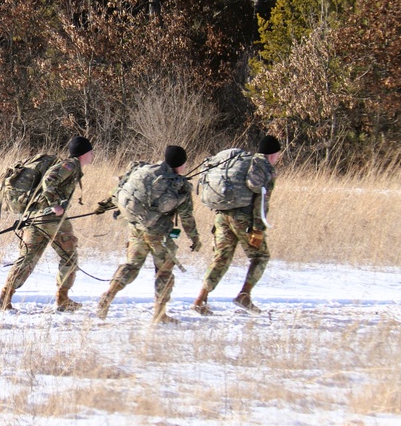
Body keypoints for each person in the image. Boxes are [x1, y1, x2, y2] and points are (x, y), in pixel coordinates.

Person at [95, 145, 201, 324]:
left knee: (132, 265)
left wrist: (103, 205)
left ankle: (109, 294)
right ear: (181, 164)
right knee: (164, 272)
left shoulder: (145, 171)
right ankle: (160, 314)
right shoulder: (179, 185)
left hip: (136, 227)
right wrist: (195, 238)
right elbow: (186, 217)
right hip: (160, 235)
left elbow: (121, 188)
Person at [0, 135, 95, 312]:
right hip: (51, 219)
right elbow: (50, 179)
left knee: (27, 258)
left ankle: (5, 296)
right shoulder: (70, 165)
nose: (93, 155)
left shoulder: (72, 166)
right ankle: (63, 299)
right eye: (90, 152)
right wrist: (55, 204)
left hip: (35, 217)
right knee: (69, 256)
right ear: (83, 153)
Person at [192, 135, 282, 315]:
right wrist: (258, 229)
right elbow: (261, 202)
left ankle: (200, 299)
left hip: (221, 217)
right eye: (278, 153)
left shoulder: (244, 163)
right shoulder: (264, 168)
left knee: (221, 258)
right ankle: (244, 295)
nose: (279, 157)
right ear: (273, 154)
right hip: (243, 219)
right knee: (261, 256)